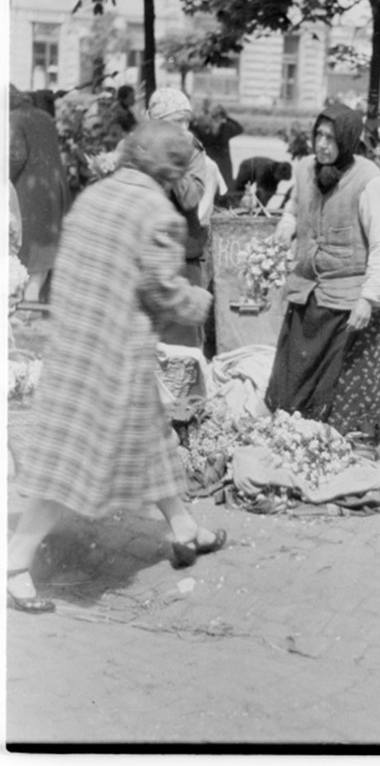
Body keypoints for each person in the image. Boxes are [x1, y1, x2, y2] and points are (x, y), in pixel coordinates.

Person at [7, 121, 226, 614]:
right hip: (113, 361)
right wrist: (199, 299)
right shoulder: (158, 213)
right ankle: (15, 562)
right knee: (72, 463)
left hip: (74, 347)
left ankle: (184, 528)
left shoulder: (94, 197)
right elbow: (162, 292)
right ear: (170, 169)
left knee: (154, 439)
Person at [265, 102, 380, 445]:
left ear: (348, 140)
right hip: (307, 291)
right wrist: (287, 225)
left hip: (345, 303)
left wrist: (368, 299)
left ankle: (332, 444)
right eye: (318, 135)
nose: (321, 144)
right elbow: (295, 207)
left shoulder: (367, 180)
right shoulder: (306, 169)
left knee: (336, 393)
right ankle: (296, 438)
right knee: (292, 383)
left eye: (330, 138)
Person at [148, 88, 209, 346]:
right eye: (176, 121)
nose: (184, 128)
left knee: (183, 340)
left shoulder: (192, 151)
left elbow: (190, 198)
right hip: (147, 251)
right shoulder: (139, 145)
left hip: (183, 256)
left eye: (187, 120)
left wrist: (172, 160)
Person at [9, 85, 72, 302]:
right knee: (45, 250)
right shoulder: (45, 117)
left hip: (28, 191)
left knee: (26, 246)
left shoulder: (14, 119)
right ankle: (32, 299)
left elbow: (15, 156)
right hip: (54, 187)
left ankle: (27, 304)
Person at [190, 101, 244, 192]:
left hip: (217, 164)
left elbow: (239, 128)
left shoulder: (210, 127)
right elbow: (239, 128)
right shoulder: (225, 127)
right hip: (217, 164)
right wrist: (226, 118)